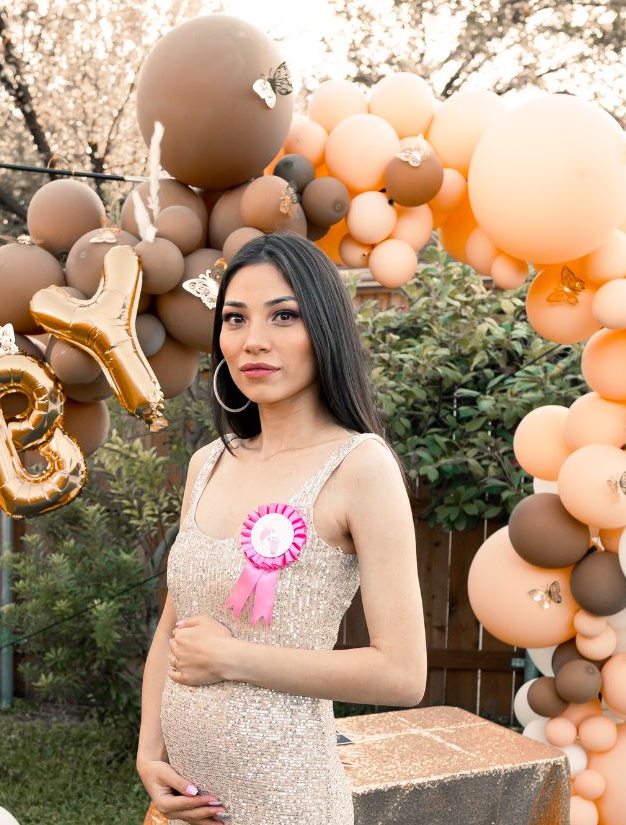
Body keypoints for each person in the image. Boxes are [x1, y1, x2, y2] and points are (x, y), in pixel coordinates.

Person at [136, 232, 428, 824]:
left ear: (323, 329)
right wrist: (148, 755)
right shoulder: (208, 462)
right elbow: (174, 622)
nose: (254, 342)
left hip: (288, 803)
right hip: (187, 805)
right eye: (235, 319)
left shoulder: (358, 466)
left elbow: (402, 675)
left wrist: (232, 659)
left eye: (284, 316)